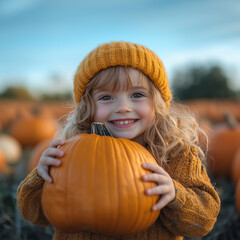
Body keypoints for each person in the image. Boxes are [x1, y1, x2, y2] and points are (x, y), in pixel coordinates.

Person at [17, 41, 220, 240]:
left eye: (137, 95)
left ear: (157, 103)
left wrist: (175, 195)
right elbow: (36, 214)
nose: (123, 107)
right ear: (88, 106)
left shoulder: (176, 153)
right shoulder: (70, 153)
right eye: (106, 97)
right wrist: (40, 179)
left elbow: (203, 222)